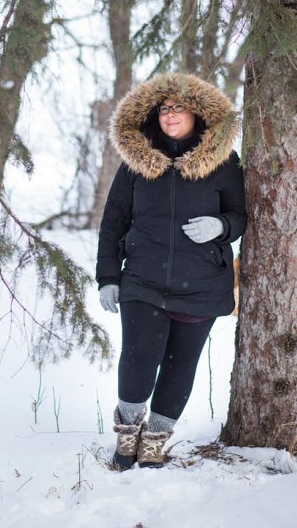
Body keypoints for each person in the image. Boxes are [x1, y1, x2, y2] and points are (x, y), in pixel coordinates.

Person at [96, 72, 247, 470]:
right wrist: (108, 277)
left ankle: (155, 442)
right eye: (164, 108)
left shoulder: (224, 163)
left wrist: (222, 227)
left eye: (179, 107)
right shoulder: (135, 164)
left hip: (200, 283)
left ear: (198, 114)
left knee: (182, 364)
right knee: (139, 358)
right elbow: (114, 221)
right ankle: (128, 435)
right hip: (143, 279)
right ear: (153, 115)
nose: (171, 114)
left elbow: (240, 215)